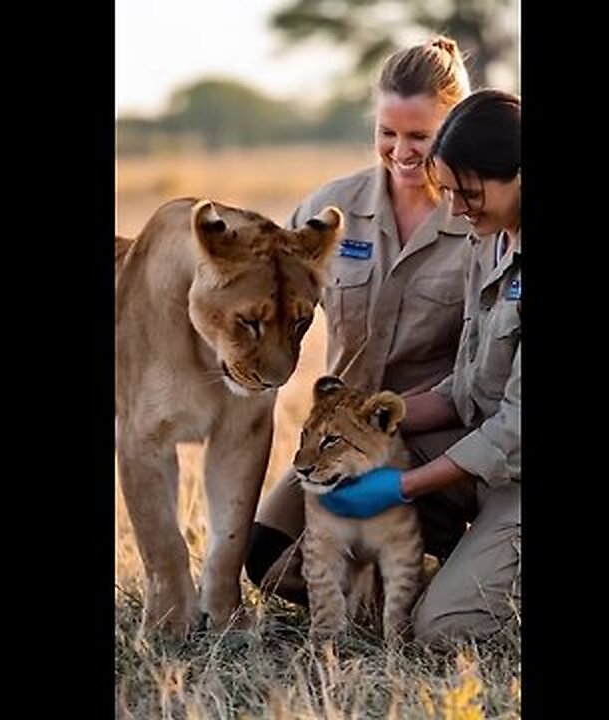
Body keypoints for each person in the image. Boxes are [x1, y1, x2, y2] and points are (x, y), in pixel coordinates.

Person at [265, 89, 524, 646]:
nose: (455, 209)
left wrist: (401, 485)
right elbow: (468, 384)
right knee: (273, 551)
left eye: (470, 193)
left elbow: (514, 428)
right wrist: (362, 433)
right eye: (450, 192)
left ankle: (478, 575)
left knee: (443, 630)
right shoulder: (490, 238)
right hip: (473, 440)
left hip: (515, 465)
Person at [246, 37, 478, 609]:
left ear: (455, 130)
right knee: (269, 564)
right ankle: (391, 583)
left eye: (420, 137)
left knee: (439, 604)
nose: (400, 151)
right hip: (341, 443)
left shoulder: (481, 218)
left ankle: (445, 565)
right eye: (387, 133)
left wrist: (390, 428)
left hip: (440, 440)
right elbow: (268, 299)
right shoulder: (332, 207)